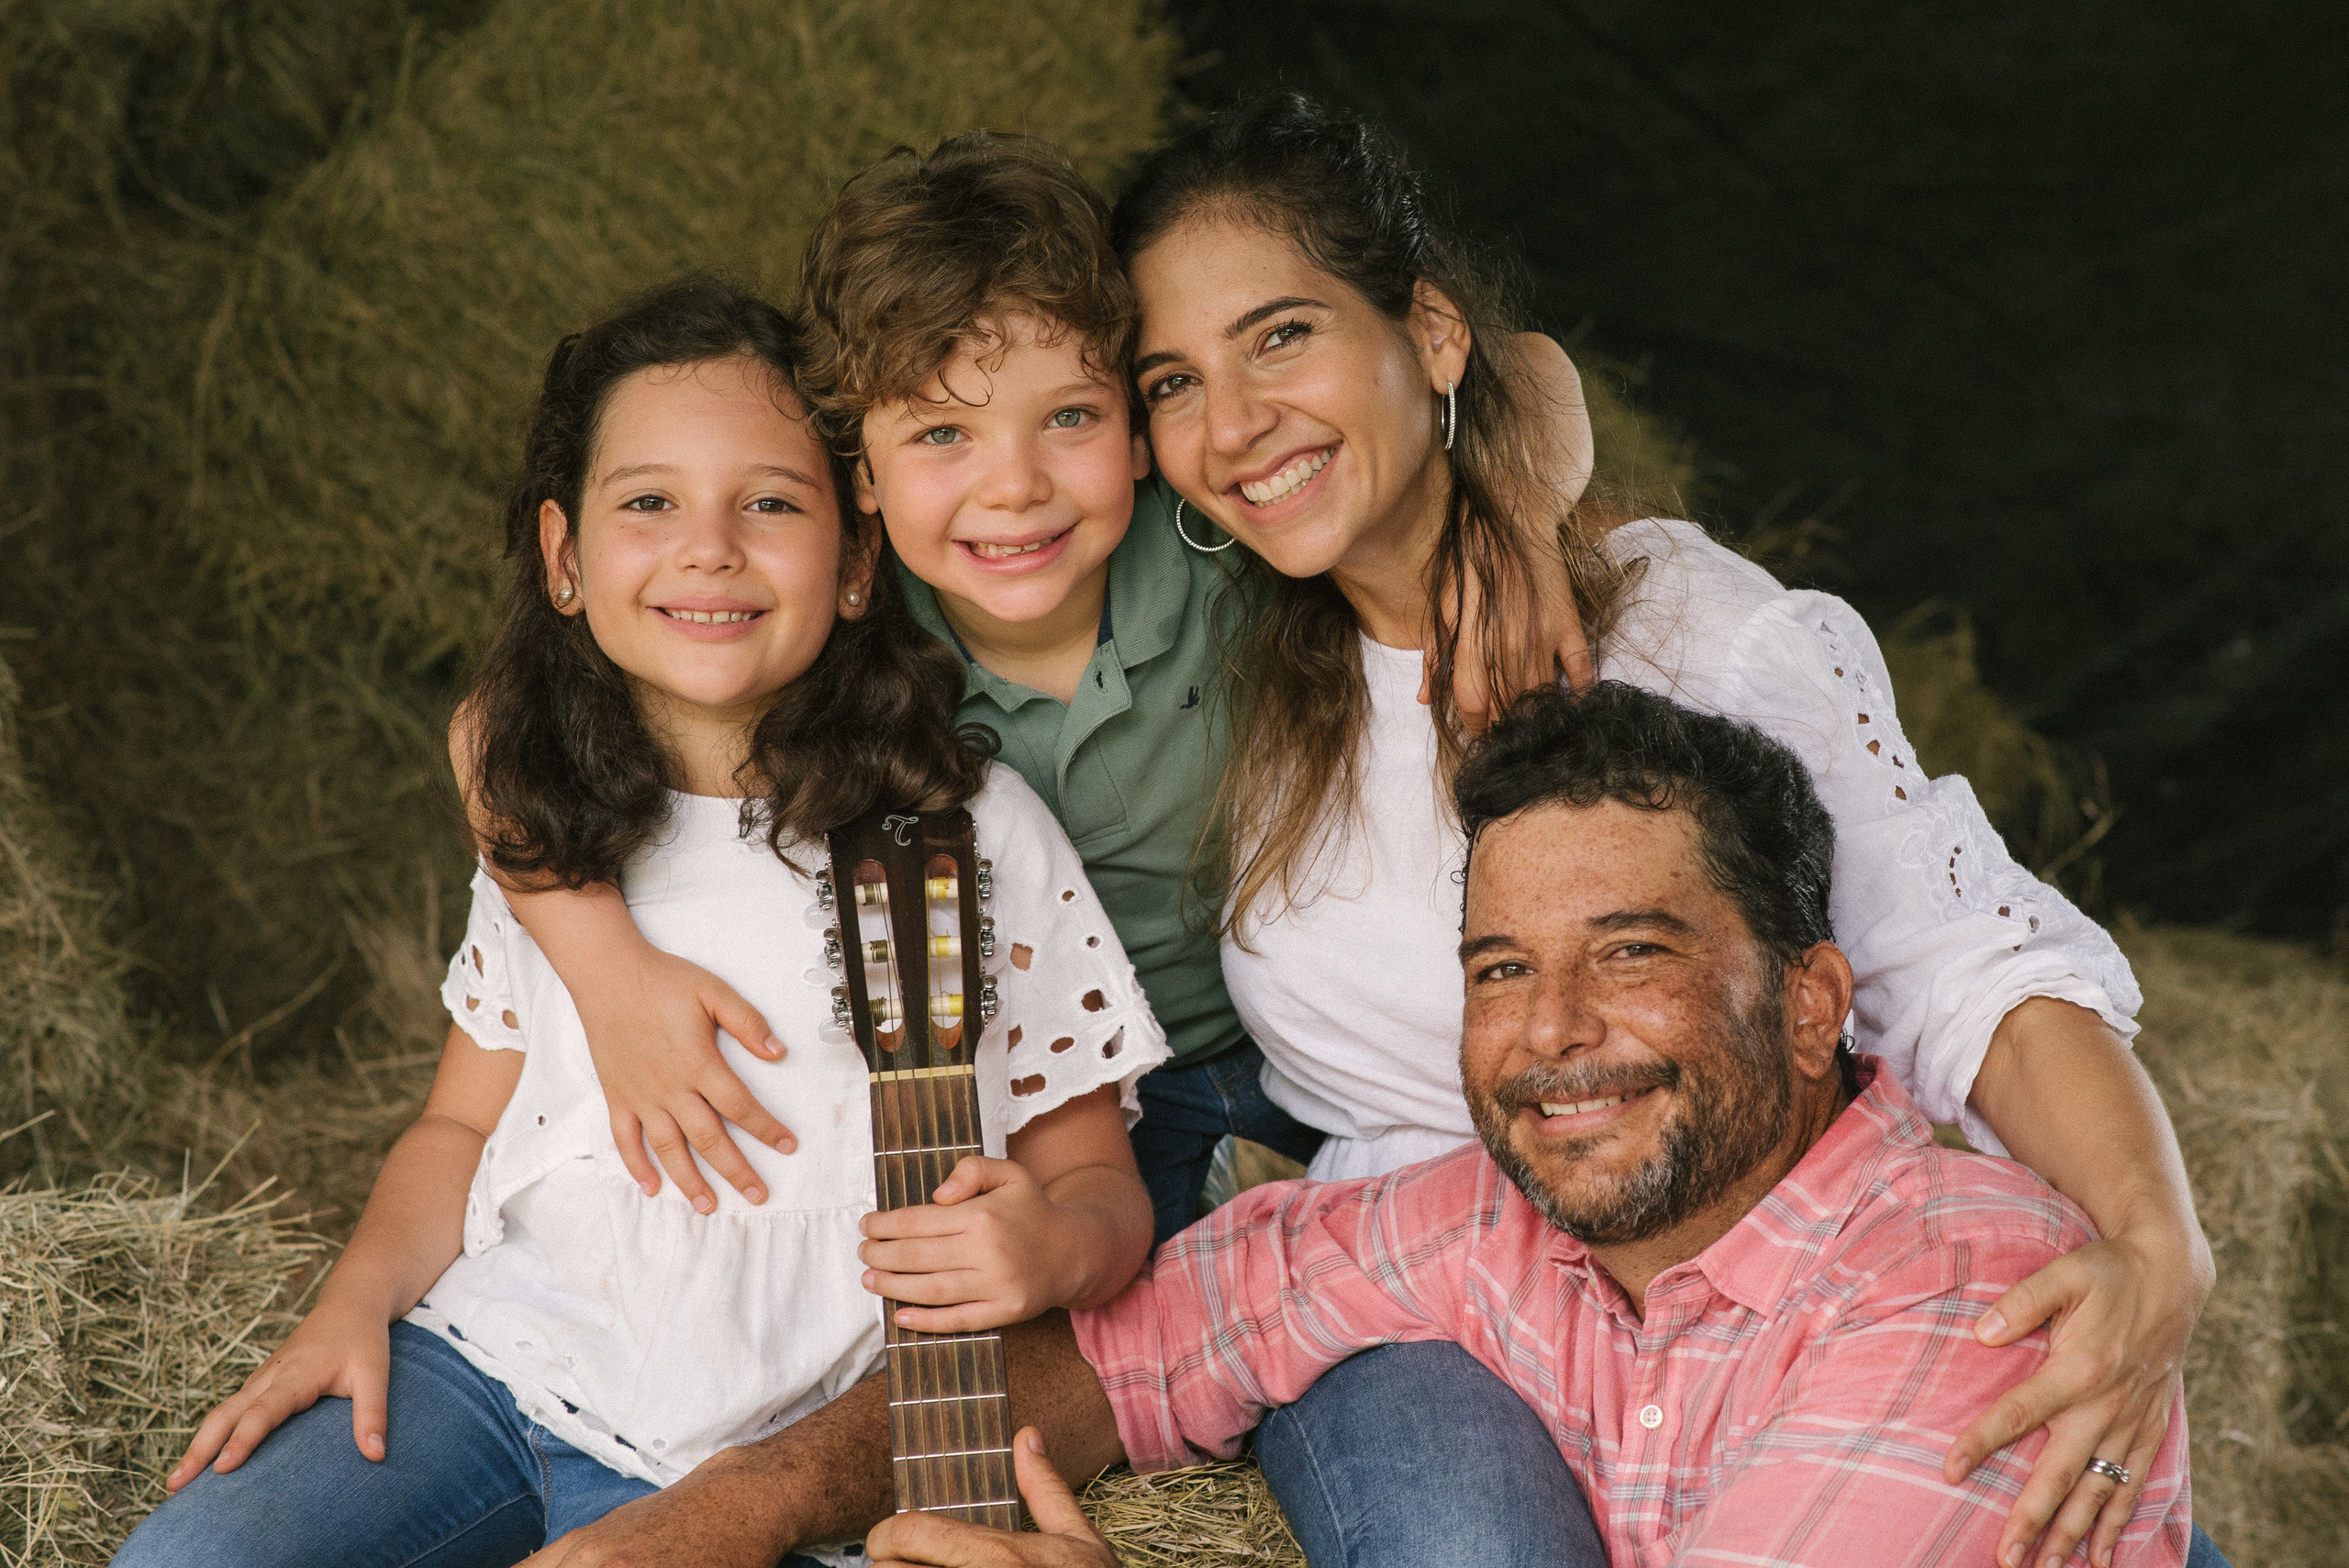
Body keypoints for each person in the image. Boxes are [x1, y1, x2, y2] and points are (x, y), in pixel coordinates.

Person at [1109, 91, 2214, 1568]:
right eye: (1172, 380)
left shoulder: (1688, 628)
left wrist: (2156, 1240)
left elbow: (1965, 970)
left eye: (1281, 334)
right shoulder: (1237, 657)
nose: (1232, 422)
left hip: (1722, 1279)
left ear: (1432, 335)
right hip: (1421, 1306)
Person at [109, 276, 1165, 1568]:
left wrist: (1053, 1246)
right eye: (649, 501)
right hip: (492, 1375)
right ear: (565, 559)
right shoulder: (556, 835)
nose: (708, 546)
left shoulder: (968, 831)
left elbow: (1100, 1187)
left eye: (771, 502)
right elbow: (457, 1125)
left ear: (854, 562)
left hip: (760, 1442)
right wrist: (353, 1305)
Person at [492, 131, 1592, 1248]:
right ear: (859, 479)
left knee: (1488, 1235)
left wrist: (1517, 514)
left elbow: (1528, 367)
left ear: (1138, 429)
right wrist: (607, 970)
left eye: (1068, 417)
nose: (1013, 486)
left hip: (1316, 1034)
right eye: (940, 433)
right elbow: (494, 730)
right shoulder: (854, 627)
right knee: (1087, 1333)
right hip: (1091, 1090)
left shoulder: (1225, 532)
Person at [863, 682, 2198, 1568]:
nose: (1550, 1030)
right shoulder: (1505, 1227)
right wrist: (713, 1515)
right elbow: (1131, 1351)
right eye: (1500, 967)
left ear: (1810, 1007)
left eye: (1628, 954)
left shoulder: (1984, 1303)